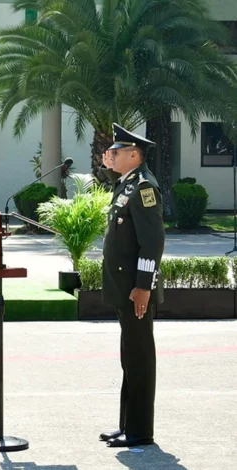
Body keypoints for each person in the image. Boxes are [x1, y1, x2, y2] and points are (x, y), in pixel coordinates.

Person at [99, 123, 165, 448]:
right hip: (123, 287)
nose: (111, 155)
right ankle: (127, 425)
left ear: (135, 155)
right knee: (129, 357)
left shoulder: (144, 188)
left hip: (135, 290)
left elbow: (152, 242)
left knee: (139, 358)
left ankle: (140, 430)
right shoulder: (127, 184)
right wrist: (110, 168)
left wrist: (143, 286)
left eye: (117, 152)